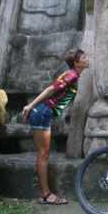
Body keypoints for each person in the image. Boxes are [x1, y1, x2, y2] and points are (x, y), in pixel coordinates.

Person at [21, 48, 89, 205]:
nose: (87, 58)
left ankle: (45, 194)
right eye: (84, 57)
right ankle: (46, 195)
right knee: (43, 154)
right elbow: (51, 89)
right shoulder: (72, 75)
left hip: (44, 112)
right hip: (43, 112)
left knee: (43, 153)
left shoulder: (73, 75)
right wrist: (30, 105)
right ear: (76, 62)